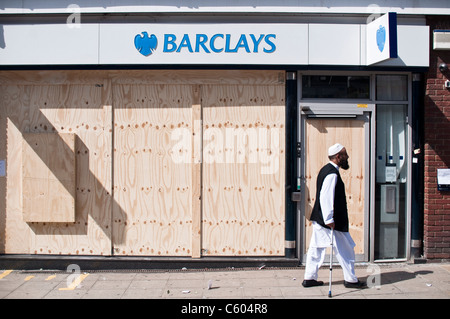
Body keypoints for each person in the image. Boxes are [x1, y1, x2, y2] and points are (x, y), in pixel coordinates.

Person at [302, 143, 366, 289]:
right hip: (331, 222)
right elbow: (326, 197)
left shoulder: (325, 169)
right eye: (345, 154)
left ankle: (309, 277)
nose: (347, 157)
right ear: (338, 157)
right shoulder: (332, 173)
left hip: (320, 219)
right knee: (346, 248)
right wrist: (329, 219)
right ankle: (350, 280)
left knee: (316, 248)